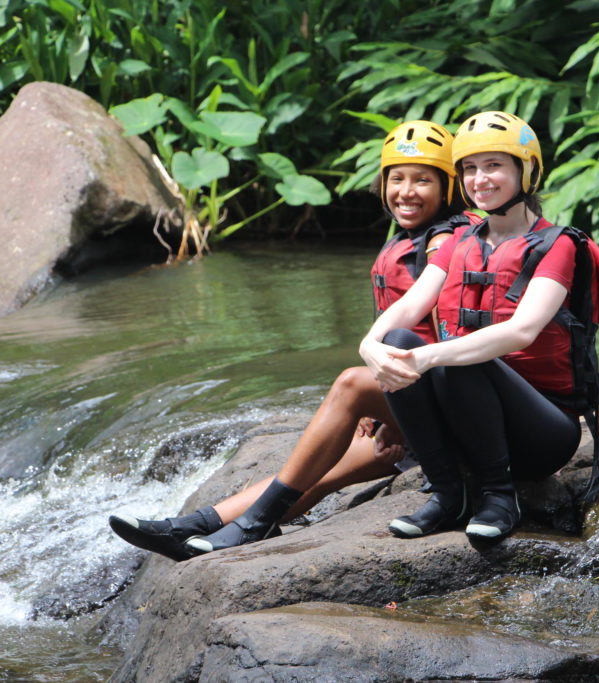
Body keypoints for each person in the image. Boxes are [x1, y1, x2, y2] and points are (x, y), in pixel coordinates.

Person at [109, 120, 478, 561]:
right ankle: (196, 528)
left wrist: (383, 403)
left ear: (448, 187)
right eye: (397, 179)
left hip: (454, 407)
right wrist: (382, 404)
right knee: (317, 472)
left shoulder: (447, 241)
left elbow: (445, 337)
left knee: (348, 389)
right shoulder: (409, 239)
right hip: (418, 402)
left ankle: (241, 527)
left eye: (423, 180)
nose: (407, 191)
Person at [358, 111, 599, 543]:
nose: (480, 179)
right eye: (471, 168)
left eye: (495, 166)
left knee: (456, 354)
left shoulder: (559, 246)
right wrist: (370, 345)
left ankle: (500, 495)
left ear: (526, 171)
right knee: (398, 338)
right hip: (467, 421)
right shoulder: (461, 240)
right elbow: (408, 307)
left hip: (543, 431)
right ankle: (448, 494)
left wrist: (426, 357)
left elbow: (522, 331)